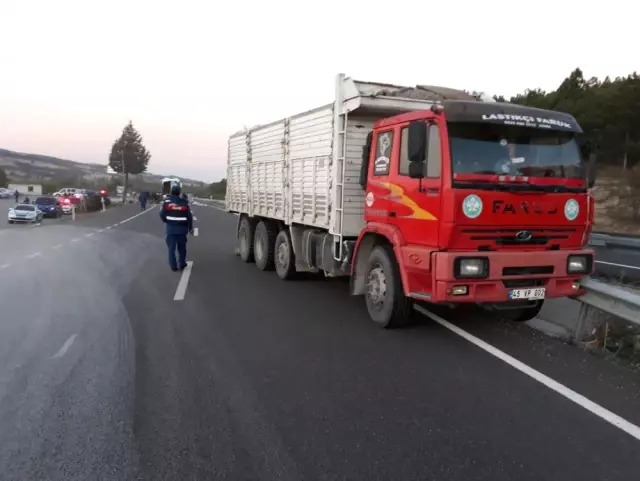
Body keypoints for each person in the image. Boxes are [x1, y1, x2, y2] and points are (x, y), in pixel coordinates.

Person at [159, 183, 193, 272]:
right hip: (182, 229)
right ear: (179, 192)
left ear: (171, 192)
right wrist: (190, 228)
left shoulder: (166, 202)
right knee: (182, 248)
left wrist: (166, 221)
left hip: (171, 229)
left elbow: (162, 214)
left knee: (171, 249)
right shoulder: (184, 203)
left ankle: (173, 266)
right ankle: (182, 263)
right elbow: (189, 217)